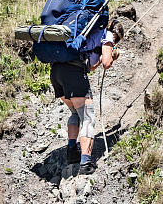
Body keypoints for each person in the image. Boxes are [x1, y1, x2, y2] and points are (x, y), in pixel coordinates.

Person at [50, 18, 124, 173]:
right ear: (115, 33)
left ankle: (72, 152)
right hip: (74, 72)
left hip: (57, 72)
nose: (115, 42)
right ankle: (85, 163)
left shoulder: (89, 32)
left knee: (75, 113)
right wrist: (112, 55)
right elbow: (107, 63)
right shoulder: (107, 35)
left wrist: (101, 58)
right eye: (117, 39)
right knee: (88, 117)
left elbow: (91, 66)